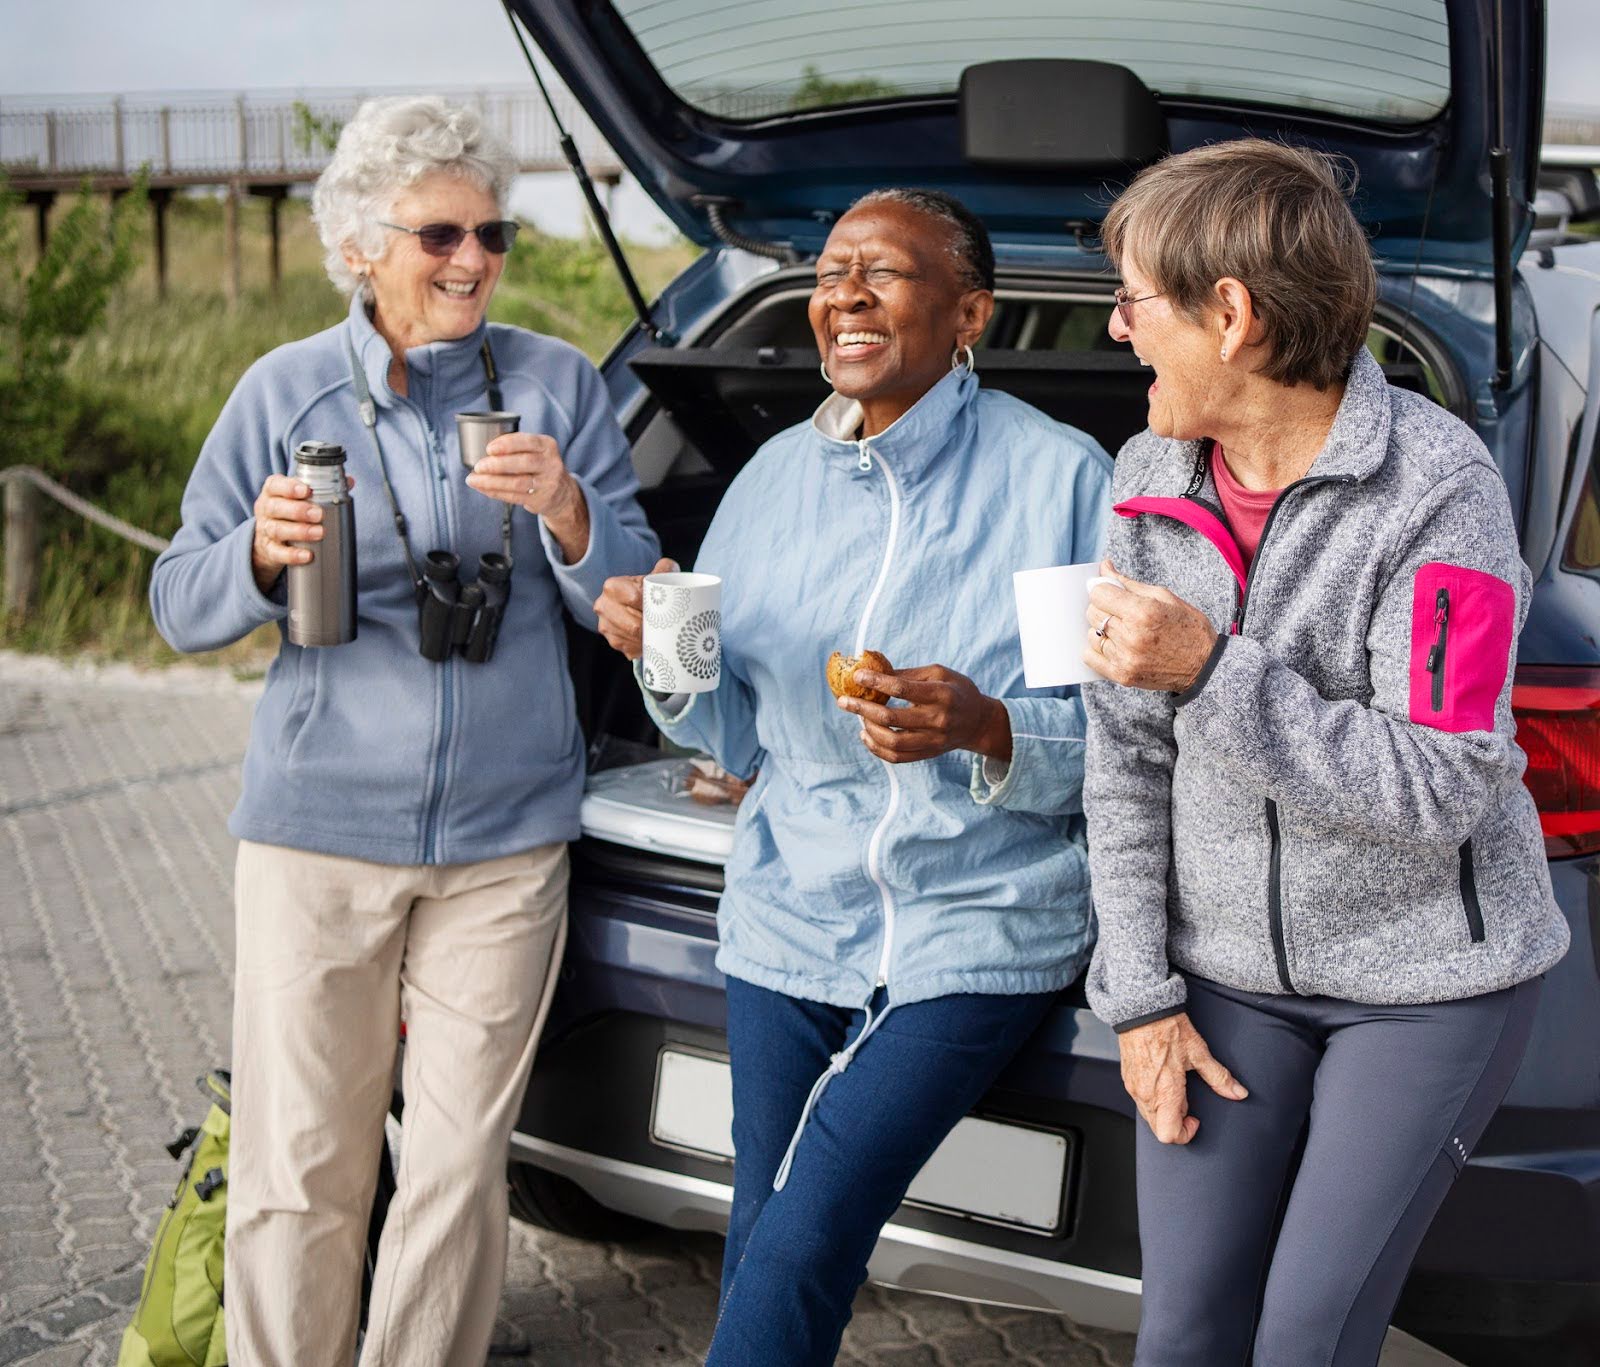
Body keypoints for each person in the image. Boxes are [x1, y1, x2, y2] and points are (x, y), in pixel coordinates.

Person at [148, 95, 659, 1366]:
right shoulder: (282, 389)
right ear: (361, 246)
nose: (472, 259)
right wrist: (259, 561)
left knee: (453, 1169)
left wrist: (571, 513)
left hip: (505, 841)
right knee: (298, 1166)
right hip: (318, 836)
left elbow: (631, 601)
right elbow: (175, 600)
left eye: (489, 232)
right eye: (437, 235)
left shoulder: (554, 382)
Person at [596, 188, 1111, 1364]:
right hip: (789, 911)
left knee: (803, 1225)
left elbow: (1114, 752)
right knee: (765, 1233)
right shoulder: (770, 482)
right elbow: (728, 739)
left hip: (979, 919)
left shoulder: (1060, 482)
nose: (846, 294)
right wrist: (660, 656)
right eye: (832, 272)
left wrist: (985, 727)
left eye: (885, 271)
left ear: (969, 311)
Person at [1079, 138, 1570, 1366]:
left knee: (1306, 1335)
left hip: (1426, 992)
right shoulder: (1148, 476)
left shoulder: (1438, 492)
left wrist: (1211, 669)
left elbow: (1442, 783)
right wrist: (1140, 998)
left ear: (1230, 315)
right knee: (1183, 1329)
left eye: (1133, 300)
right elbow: (1125, 760)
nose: (1116, 330)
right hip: (1223, 977)